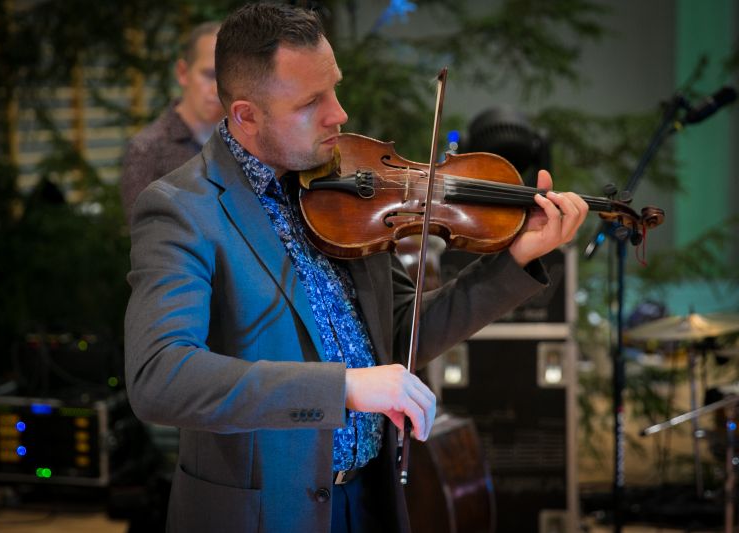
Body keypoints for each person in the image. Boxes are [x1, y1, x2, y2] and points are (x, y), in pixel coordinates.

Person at [123, 3, 588, 532]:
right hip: (263, 515)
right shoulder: (183, 209)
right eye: (310, 102)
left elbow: (402, 333)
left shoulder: (350, 186)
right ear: (247, 116)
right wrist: (342, 387)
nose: (338, 114)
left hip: (369, 502)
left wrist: (517, 257)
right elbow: (160, 377)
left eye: (334, 89)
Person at [121, 21, 224, 221]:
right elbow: (143, 231)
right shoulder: (147, 149)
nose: (217, 89)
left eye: (226, 77)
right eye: (209, 75)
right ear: (183, 73)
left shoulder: (245, 141)